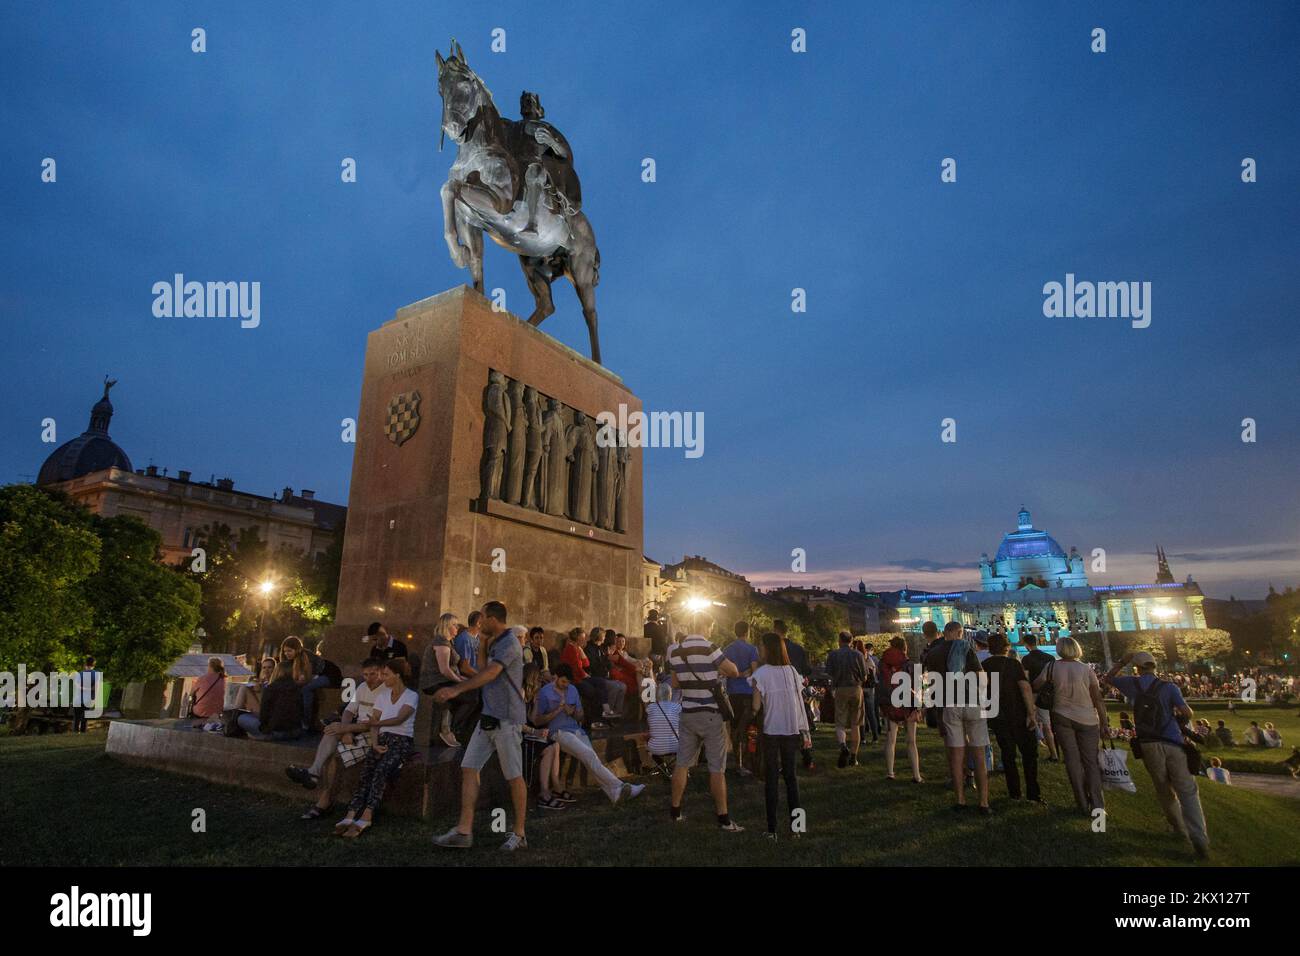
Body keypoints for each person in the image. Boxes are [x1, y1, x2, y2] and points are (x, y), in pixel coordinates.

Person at [432, 601, 530, 851]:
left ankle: (519, 833)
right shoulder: (495, 640)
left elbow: (489, 675)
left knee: (514, 776)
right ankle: (464, 831)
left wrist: (456, 689)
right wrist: (484, 645)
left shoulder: (509, 642)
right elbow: (483, 668)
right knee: (469, 767)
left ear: (493, 619)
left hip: (506, 719)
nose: (479, 621)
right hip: (488, 716)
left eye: (483, 617)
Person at [1103, 651, 1211, 859]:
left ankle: (1179, 830)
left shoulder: (1131, 684)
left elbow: (1108, 678)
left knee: (1164, 789)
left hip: (1148, 743)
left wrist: (1122, 660)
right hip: (1172, 741)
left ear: (1137, 667)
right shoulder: (1169, 687)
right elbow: (1187, 713)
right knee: (1187, 791)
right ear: (1154, 666)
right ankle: (1199, 838)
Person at [530, 663, 645, 809]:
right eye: (563, 681)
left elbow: (581, 716)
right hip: (558, 732)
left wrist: (572, 712)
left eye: (568, 682)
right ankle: (621, 786)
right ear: (556, 677)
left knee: (592, 759)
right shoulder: (544, 692)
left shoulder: (572, 690)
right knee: (589, 755)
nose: (566, 685)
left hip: (577, 730)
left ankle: (614, 794)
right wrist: (558, 710)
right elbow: (537, 720)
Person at [667, 618, 743, 831]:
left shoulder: (676, 651)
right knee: (716, 768)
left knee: (682, 763)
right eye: (710, 627)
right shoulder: (710, 648)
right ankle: (723, 818)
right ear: (705, 626)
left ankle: (675, 811)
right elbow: (734, 671)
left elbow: (674, 683)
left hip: (688, 712)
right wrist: (713, 673)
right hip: (710, 713)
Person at [288, 657, 385, 817]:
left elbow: (375, 724)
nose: (369, 679)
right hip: (355, 729)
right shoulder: (362, 687)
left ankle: (323, 801)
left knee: (334, 755)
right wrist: (344, 731)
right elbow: (348, 711)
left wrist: (345, 728)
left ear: (382, 672)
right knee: (331, 731)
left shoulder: (386, 692)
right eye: (365, 675)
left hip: (375, 736)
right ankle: (314, 772)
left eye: (373, 674)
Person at [333, 658, 419, 837]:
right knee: (366, 772)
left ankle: (367, 814)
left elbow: (399, 719)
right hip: (381, 739)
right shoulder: (382, 696)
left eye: (385, 674)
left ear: (397, 675)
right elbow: (374, 725)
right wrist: (375, 743)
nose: (382, 677)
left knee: (381, 770)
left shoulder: (411, 696)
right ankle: (351, 814)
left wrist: (377, 723)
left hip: (401, 740)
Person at [1033, 637, 1107, 816]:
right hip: (1087, 718)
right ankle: (1098, 806)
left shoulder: (1052, 667)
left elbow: (1036, 685)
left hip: (1062, 716)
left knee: (1072, 760)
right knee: (1091, 762)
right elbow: (1096, 696)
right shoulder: (1085, 669)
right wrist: (1104, 720)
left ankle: (1081, 802)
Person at [923, 621, 991, 814]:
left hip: (949, 704)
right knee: (978, 753)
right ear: (957, 632)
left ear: (944, 633)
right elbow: (980, 675)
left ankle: (960, 800)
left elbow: (932, 681)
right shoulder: (964, 647)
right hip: (971, 701)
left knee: (956, 753)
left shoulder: (933, 653)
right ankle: (984, 802)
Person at [750, 631, 807, 840]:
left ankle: (772, 829)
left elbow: (756, 706)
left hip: (771, 729)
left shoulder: (761, 674)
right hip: (791, 728)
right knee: (791, 778)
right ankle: (797, 828)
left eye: (761, 646)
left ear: (767, 649)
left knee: (771, 779)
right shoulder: (792, 671)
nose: (759, 650)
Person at [983, 633, 1042, 804]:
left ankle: (1014, 792)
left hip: (997, 714)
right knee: (1029, 755)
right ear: (1007, 647)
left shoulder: (984, 665)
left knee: (1008, 754)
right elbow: (1024, 688)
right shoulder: (1013, 664)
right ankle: (1033, 793)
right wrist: (1031, 713)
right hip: (1017, 712)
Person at [773, 619, 815, 769]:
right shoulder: (798, 648)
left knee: (780, 726)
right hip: (796, 690)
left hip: (778, 691)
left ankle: (781, 761)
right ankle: (807, 757)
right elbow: (807, 669)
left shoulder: (773, 650)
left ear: (775, 630)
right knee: (801, 724)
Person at [419, 612, 465, 747]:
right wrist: (461, 682)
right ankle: (449, 729)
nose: (457, 628)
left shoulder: (448, 642)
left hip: (444, 680)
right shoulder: (441, 643)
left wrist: (463, 679)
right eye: (455, 625)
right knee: (470, 697)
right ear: (447, 626)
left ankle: (450, 728)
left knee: (472, 692)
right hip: (435, 682)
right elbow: (444, 670)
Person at [879, 637, 922, 782]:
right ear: (905, 647)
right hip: (908, 704)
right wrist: (917, 707)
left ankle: (890, 772)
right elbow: (917, 687)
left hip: (891, 704)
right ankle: (916, 775)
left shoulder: (883, 663)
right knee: (911, 741)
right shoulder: (910, 664)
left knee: (891, 740)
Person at [721, 621, 760, 776]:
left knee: (735, 727)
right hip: (747, 692)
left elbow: (722, 671)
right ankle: (750, 760)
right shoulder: (752, 649)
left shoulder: (727, 649)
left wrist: (734, 674)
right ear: (747, 632)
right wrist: (747, 672)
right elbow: (756, 671)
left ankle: (738, 761)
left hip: (732, 693)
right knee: (750, 728)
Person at [281, 635, 340, 732]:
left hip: (329, 675)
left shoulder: (306, 656)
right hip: (318, 676)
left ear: (297, 649)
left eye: (289, 651)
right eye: (285, 651)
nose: (287, 653)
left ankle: (306, 721)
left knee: (306, 689)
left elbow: (307, 677)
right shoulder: (291, 661)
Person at [826, 631, 867, 768]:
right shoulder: (858, 655)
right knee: (856, 723)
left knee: (840, 722)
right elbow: (864, 675)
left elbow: (830, 673)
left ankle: (843, 746)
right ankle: (854, 757)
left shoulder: (833, 655)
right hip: (856, 688)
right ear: (851, 640)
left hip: (840, 688)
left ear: (840, 640)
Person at [236, 661, 303, 740]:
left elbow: (264, 714)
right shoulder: (297, 688)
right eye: (264, 667)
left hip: (275, 730)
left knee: (241, 718)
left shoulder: (271, 687)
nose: (266, 670)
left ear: (276, 671)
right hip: (294, 732)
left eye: (269, 667)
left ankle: (260, 736)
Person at [1020, 633, 1059, 761]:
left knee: (1040, 723)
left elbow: (1025, 678)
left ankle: (1053, 754)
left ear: (1026, 644)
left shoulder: (1026, 659)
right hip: (1051, 693)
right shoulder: (1050, 657)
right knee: (1051, 724)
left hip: (1036, 694)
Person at [560, 627, 607, 731]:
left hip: (581, 676)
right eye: (582, 638)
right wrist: (585, 676)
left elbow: (586, 664)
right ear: (577, 639)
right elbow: (576, 668)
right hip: (573, 679)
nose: (584, 640)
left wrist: (581, 650)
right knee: (591, 691)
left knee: (601, 682)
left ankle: (603, 712)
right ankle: (590, 721)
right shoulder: (570, 649)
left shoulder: (577, 648)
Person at [586, 627, 626, 719]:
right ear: (599, 637)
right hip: (596, 677)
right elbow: (593, 666)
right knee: (615, 686)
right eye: (603, 636)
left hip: (604, 676)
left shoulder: (601, 648)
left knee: (623, 686)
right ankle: (607, 713)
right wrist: (606, 660)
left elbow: (608, 663)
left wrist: (609, 660)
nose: (605, 638)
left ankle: (617, 713)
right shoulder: (589, 649)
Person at [646, 680, 681, 774]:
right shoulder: (677, 707)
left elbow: (650, 724)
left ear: (657, 695)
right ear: (670, 695)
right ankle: (669, 768)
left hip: (656, 748)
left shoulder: (650, 708)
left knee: (648, 740)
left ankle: (662, 767)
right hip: (676, 746)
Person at [607, 632, 644, 717]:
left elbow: (631, 660)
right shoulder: (614, 652)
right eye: (618, 641)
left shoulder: (625, 653)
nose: (621, 643)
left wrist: (640, 662)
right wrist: (635, 667)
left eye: (623, 641)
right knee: (635, 680)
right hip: (620, 674)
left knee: (641, 669)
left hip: (627, 672)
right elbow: (624, 663)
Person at [188, 657, 227, 728]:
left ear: (210, 667)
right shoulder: (223, 680)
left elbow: (191, 693)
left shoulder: (203, 678)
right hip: (216, 713)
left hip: (201, 712)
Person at [858, 641, 881, 744]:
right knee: (871, 713)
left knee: (860, 714)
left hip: (860, 687)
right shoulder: (871, 660)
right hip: (870, 688)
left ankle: (862, 738)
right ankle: (875, 736)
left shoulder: (857, 659)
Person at [73, 656, 100, 733]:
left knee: (77, 719)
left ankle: (75, 734)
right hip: (88, 699)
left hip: (78, 699)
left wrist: (83, 688)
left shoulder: (79, 674)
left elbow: (77, 686)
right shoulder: (97, 674)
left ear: (85, 664)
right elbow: (96, 688)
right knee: (84, 719)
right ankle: (82, 733)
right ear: (94, 665)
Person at [454, 611, 482, 678]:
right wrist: (482, 678)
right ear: (479, 623)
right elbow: (464, 668)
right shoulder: (464, 639)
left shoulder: (478, 637)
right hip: (469, 678)